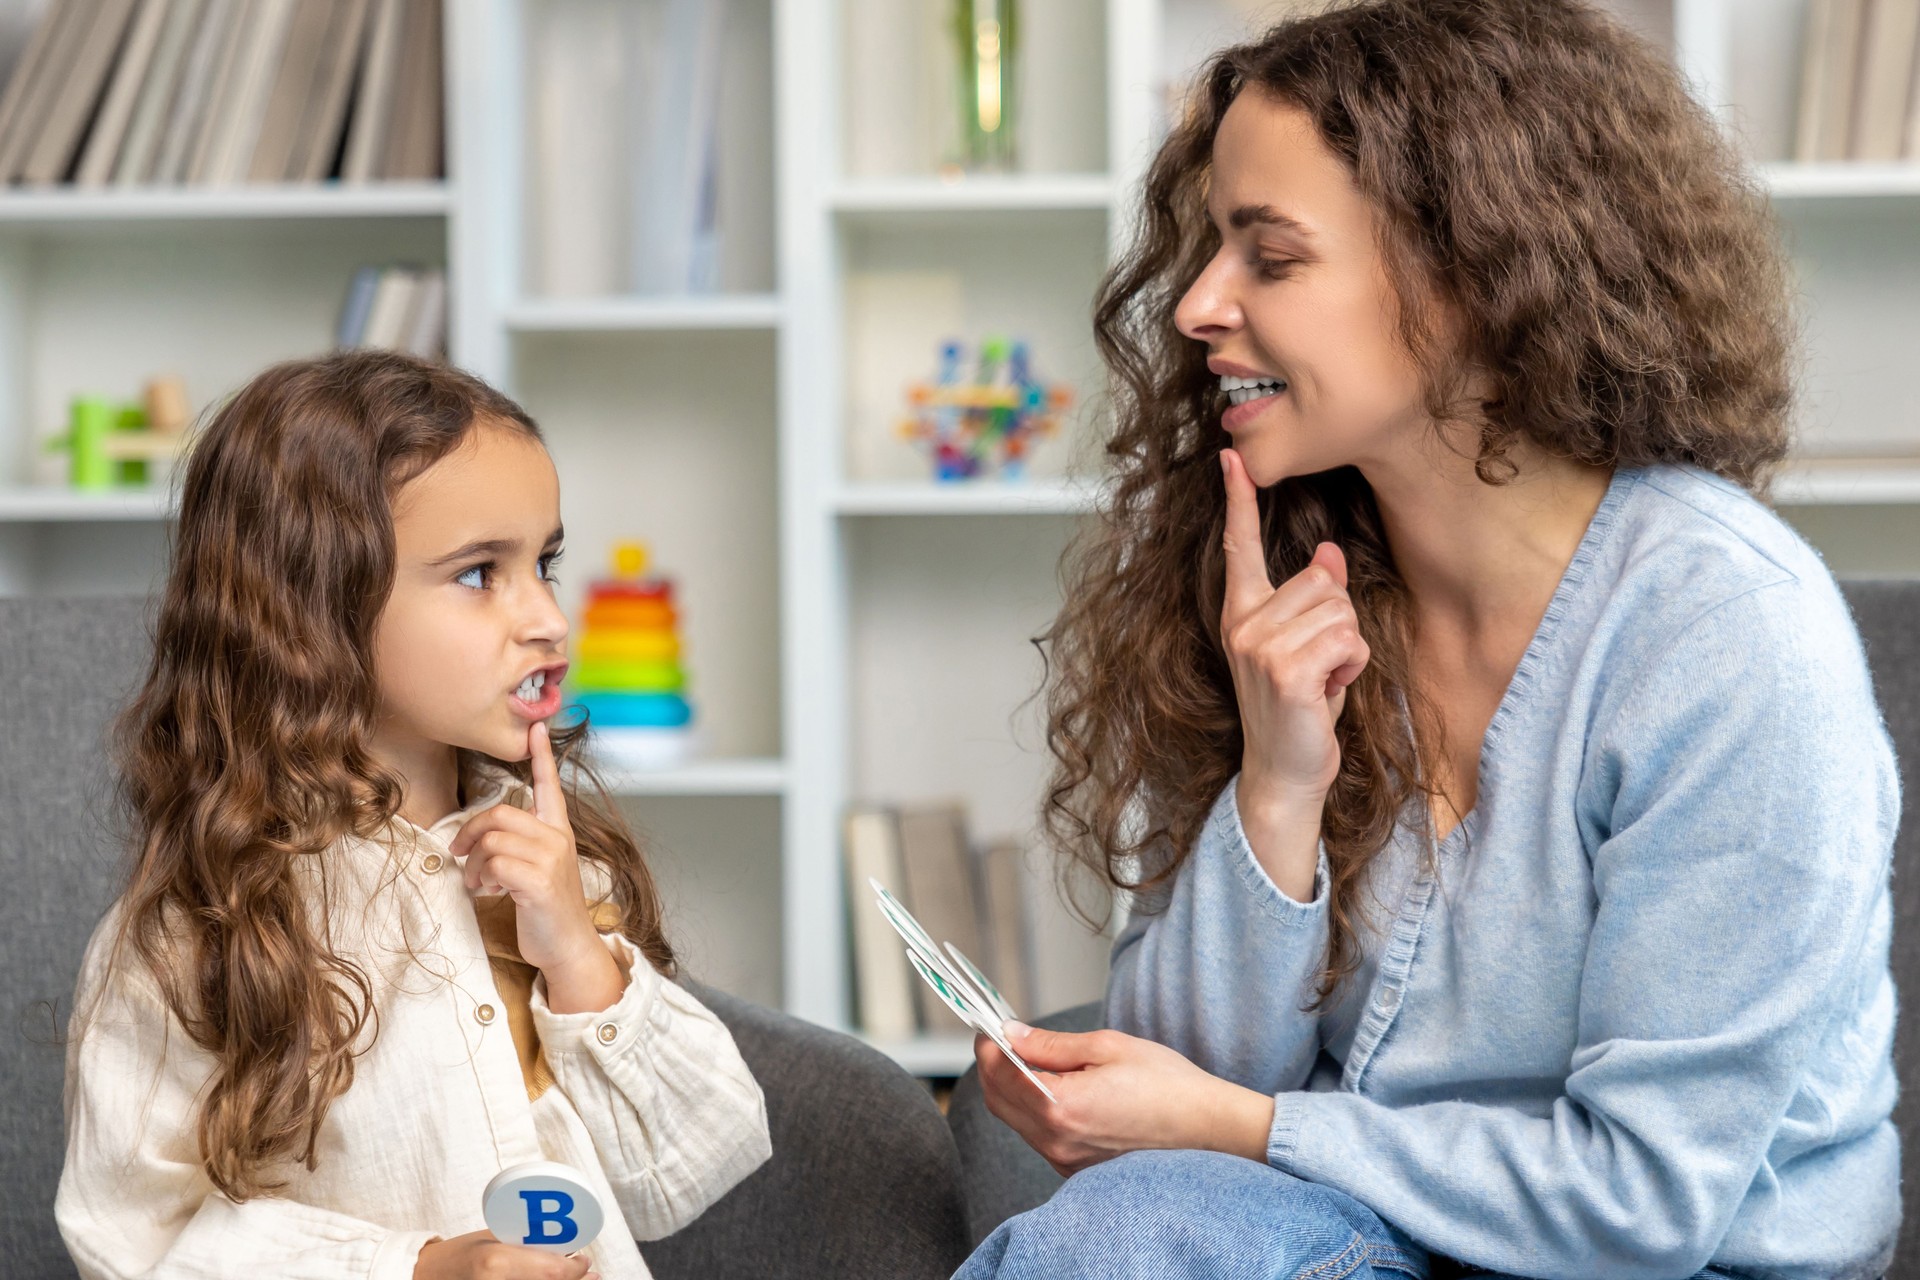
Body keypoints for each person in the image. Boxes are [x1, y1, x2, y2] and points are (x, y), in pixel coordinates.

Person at [960, 1, 1899, 1277]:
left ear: (1472, 277)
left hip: (1682, 1265)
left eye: (1269, 257)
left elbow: (1647, 1200)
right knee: (1127, 1229)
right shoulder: (1295, 586)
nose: (1194, 305)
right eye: (1206, 249)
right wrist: (1279, 785)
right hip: (1360, 1237)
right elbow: (1170, 1101)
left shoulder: (1728, 634)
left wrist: (1249, 1128)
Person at [55, 350, 771, 1280]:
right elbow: (131, 1242)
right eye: (480, 574)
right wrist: (419, 1269)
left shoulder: (551, 869)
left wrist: (580, 960)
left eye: (543, 563)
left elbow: (696, 1168)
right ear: (312, 608)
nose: (550, 619)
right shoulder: (193, 932)